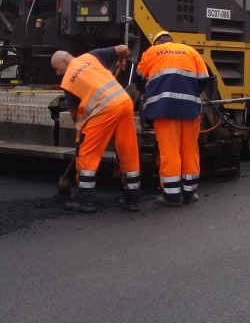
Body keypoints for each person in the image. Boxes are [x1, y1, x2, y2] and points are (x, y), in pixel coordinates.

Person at [51, 45, 141, 213]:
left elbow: (75, 113)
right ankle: (133, 198)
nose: (57, 73)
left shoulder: (68, 80)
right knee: (127, 150)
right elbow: (124, 48)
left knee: (87, 154)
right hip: (124, 101)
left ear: (64, 61)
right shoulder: (92, 56)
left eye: (57, 69)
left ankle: (86, 199)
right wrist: (122, 61)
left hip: (105, 108)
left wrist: (80, 133)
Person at [135, 31, 210, 207]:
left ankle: (172, 195)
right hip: (190, 108)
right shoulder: (190, 51)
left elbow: (138, 79)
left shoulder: (152, 53)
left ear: (156, 43)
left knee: (170, 151)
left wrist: (147, 89)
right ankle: (189, 193)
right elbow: (204, 79)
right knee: (190, 150)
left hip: (164, 108)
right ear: (171, 41)